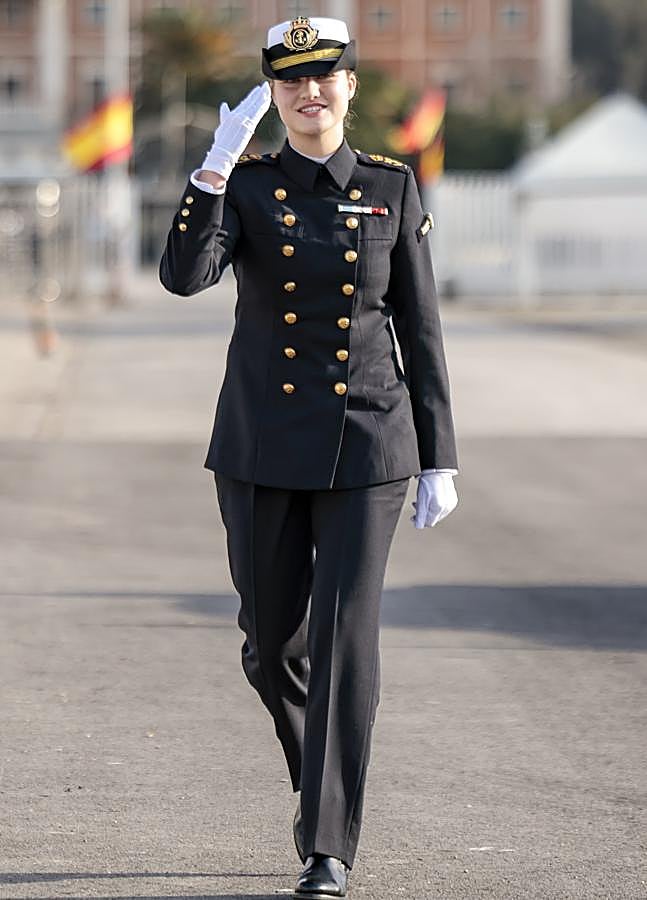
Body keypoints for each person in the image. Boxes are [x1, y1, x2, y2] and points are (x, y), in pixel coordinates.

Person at [160, 15, 458, 899]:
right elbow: (184, 275)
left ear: (350, 86)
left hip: (368, 440)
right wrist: (212, 168)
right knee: (268, 644)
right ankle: (317, 782)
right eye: (290, 79)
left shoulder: (389, 189)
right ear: (273, 92)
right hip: (259, 444)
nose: (308, 91)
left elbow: (420, 326)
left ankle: (327, 842)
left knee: (344, 641)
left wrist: (438, 454)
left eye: (324, 75)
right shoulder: (245, 186)